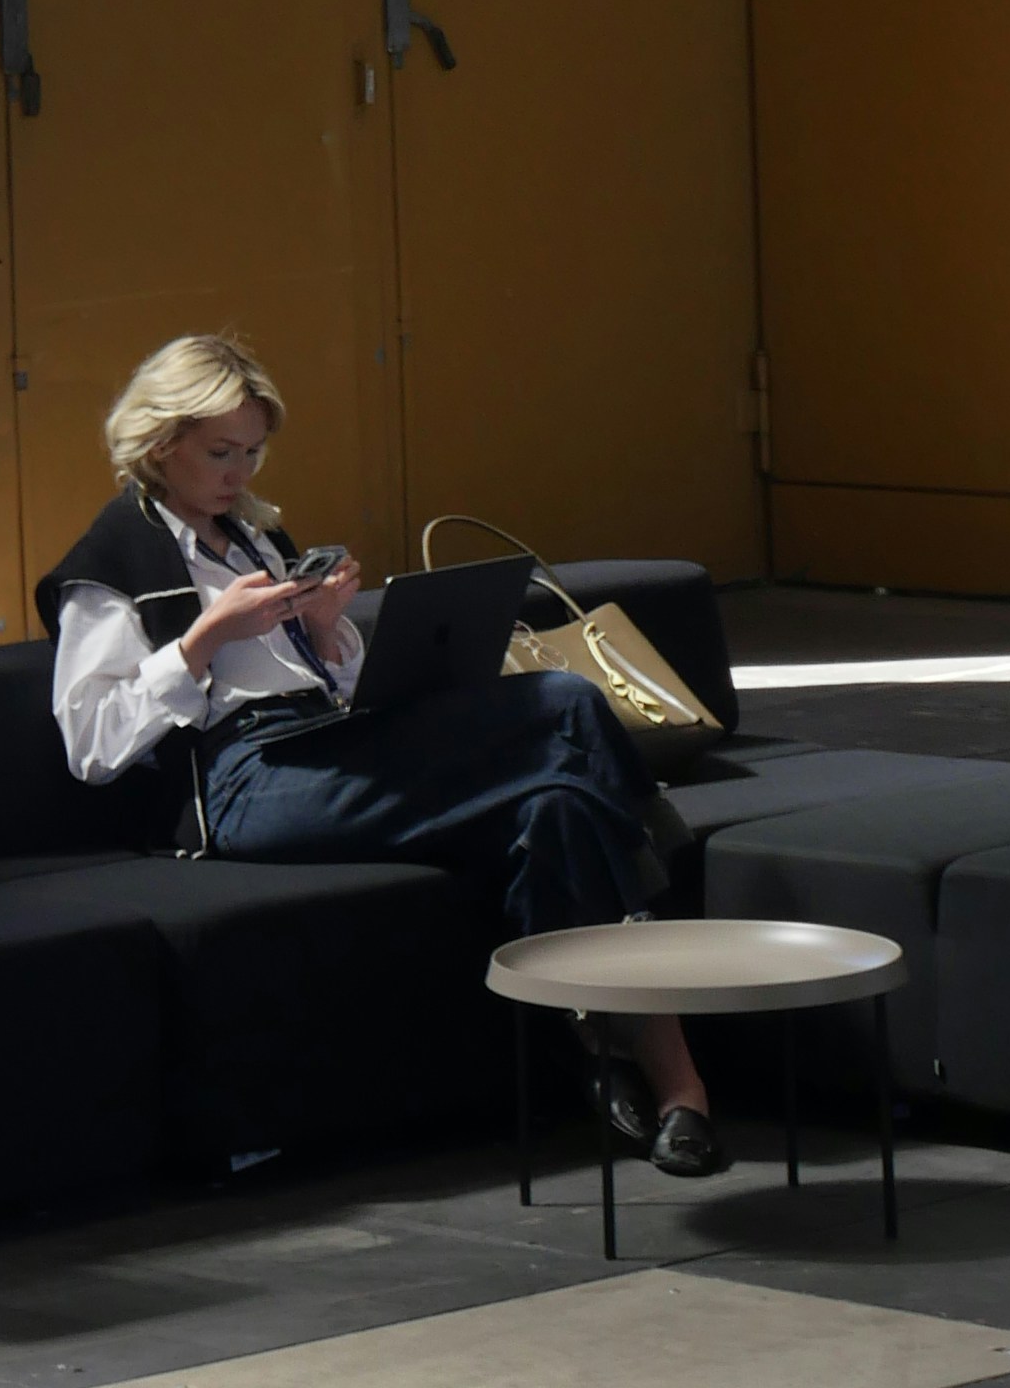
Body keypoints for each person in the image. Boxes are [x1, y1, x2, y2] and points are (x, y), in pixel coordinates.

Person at [38, 329, 722, 1176]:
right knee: (566, 702)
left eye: (252, 453)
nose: (240, 475)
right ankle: (652, 838)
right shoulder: (108, 566)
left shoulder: (254, 539)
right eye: (220, 452)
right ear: (160, 440)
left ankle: (644, 1079)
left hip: (326, 747)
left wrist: (327, 634)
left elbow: (324, 689)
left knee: (562, 806)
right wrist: (203, 640)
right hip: (244, 784)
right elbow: (92, 746)